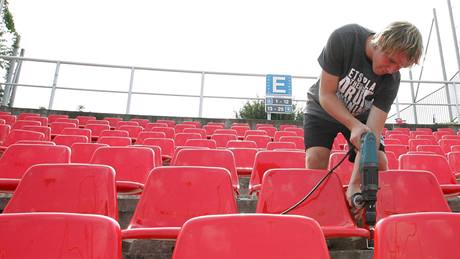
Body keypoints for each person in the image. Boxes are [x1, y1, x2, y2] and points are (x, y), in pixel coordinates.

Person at [303, 21, 423, 206]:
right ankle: (319, 210)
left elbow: (372, 133)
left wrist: (355, 184)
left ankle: (364, 209)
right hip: (322, 107)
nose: (391, 70)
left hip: (361, 115)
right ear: (380, 41)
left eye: (398, 66)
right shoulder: (344, 38)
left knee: (380, 163)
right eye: (390, 61)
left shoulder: (392, 80)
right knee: (315, 159)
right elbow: (326, 95)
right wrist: (353, 125)